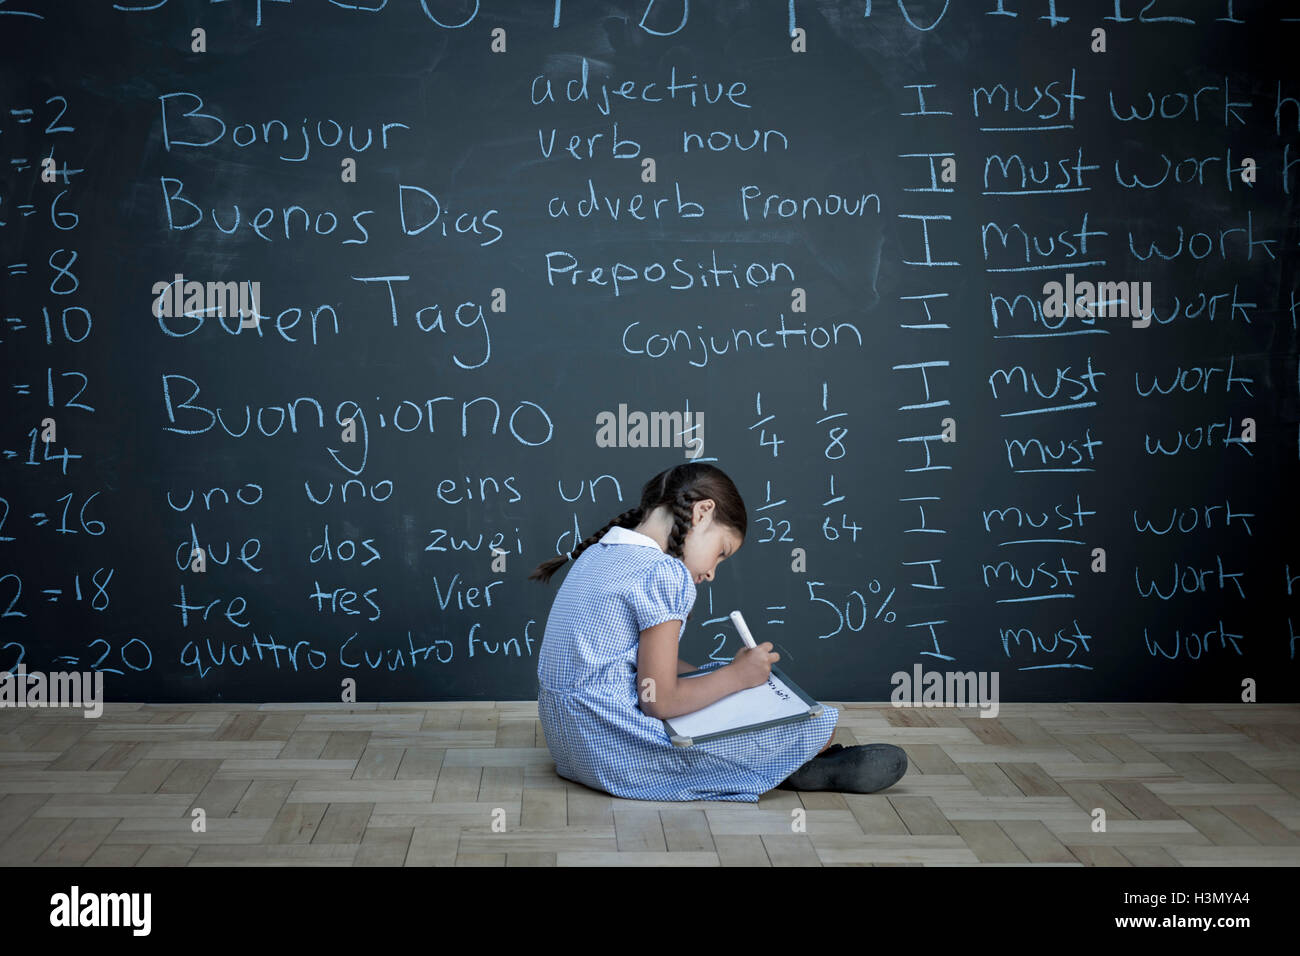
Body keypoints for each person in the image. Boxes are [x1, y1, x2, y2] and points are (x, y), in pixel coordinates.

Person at [528, 462, 907, 802]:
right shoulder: (663, 572)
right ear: (702, 511)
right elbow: (658, 702)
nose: (711, 573)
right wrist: (736, 678)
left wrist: (724, 677)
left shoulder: (598, 552)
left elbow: (637, 664)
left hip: (571, 748)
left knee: (718, 681)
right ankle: (800, 762)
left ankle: (788, 763)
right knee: (817, 726)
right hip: (617, 754)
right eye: (722, 552)